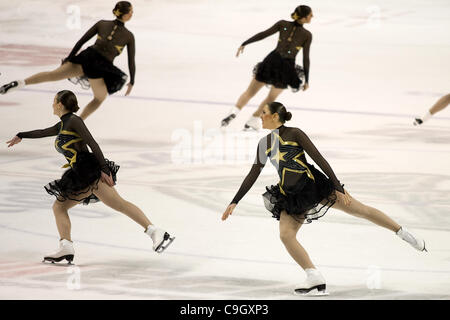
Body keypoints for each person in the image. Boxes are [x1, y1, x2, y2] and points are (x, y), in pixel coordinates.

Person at [221, 101, 427, 295]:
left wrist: (337, 187)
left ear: (275, 116)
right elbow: (253, 172)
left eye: (264, 113)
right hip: (291, 195)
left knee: (359, 210)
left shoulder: (295, 133)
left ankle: (402, 232)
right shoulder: (263, 143)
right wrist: (235, 200)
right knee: (286, 235)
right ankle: (314, 276)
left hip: (313, 186)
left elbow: (319, 158)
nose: (261, 116)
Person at [6, 90, 174, 264]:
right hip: (81, 171)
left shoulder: (74, 121)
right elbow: (43, 131)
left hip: (88, 170)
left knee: (67, 207)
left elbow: (92, 143)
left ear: (60, 104)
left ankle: (155, 231)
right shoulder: (63, 124)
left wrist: (104, 169)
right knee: (102, 205)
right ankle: (66, 246)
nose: (52, 104)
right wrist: (21, 135)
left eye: (54, 101)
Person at [0, 1, 136, 120]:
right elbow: (131, 61)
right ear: (124, 14)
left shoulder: (102, 23)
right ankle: (77, 122)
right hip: (99, 66)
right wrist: (132, 81)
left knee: (52, 75)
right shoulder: (129, 36)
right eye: (130, 12)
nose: (132, 14)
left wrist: (69, 59)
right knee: (99, 98)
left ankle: (20, 82)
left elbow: (81, 41)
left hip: (86, 57)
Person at [221, 5, 312, 131]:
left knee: (249, 92)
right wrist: (306, 80)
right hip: (286, 68)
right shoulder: (306, 35)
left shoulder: (283, 24)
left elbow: (263, 34)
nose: (312, 17)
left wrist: (245, 43)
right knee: (271, 98)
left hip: (271, 61)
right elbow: (305, 58)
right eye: (310, 15)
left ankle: (234, 111)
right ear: (303, 18)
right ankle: (253, 119)